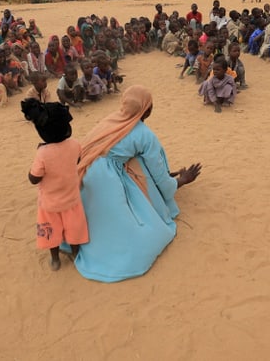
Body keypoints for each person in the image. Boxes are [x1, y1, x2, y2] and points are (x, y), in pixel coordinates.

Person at [73, 86, 202, 282]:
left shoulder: (109, 121)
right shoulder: (144, 134)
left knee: (135, 162)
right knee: (144, 233)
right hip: (107, 181)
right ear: (147, 109)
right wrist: (180, 182)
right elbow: (158, 174)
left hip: (84, 177)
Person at [21, 99, 88, 271]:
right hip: (72, 198)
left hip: (50, 203)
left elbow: (34, 178)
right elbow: (78, 160)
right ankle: (75, 254)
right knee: (74, 228)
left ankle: (55, 260)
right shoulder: (75, 144)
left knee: (51, 231)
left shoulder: (42, 153)